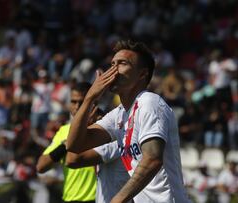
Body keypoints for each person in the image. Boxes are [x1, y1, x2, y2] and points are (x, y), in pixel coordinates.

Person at [66, 40, 190, 203]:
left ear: (142, 74)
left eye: (122, 63)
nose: (113, 70)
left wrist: (117, 200)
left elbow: (152, 159)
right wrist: (89, 98)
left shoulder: (149, 103)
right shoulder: (118, 115)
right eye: (112, 64)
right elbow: (74, 146)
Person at [36, 82, 96, 203]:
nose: (77, 106)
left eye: (82, 101)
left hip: (99, 198)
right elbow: (41, 166)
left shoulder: (103, 127)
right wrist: (66, 145)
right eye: (73, 102)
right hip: (71, 198)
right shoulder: (64, 131)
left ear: (92, 101)